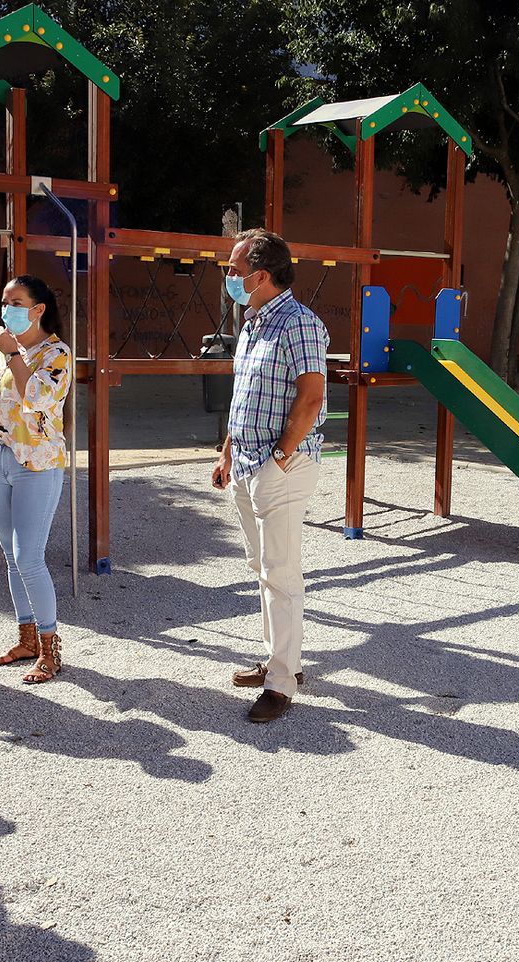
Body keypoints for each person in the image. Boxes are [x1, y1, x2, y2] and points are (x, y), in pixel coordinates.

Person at [210, 229, 328, 723]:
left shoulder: (299, 323)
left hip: (278, 466)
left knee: (280, 575)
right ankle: (280, 660)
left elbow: (311, 396)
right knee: (264, 569)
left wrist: (280, 456)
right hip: (247, 461)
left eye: (235, 270)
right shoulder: (256, 322)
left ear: (260, 275)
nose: (230, 278)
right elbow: (247, 398)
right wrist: (227, 453)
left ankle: (282, 683)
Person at [0, 276, 74, 683]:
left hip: (36, 464)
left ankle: (50, 647)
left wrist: (14, 355)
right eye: (4, 300)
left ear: (38, 308)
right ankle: (26, 638)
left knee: (29, 556)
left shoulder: (57, 353)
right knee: (11, 558)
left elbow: (39, 398)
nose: (6, 308)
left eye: (16, 302)